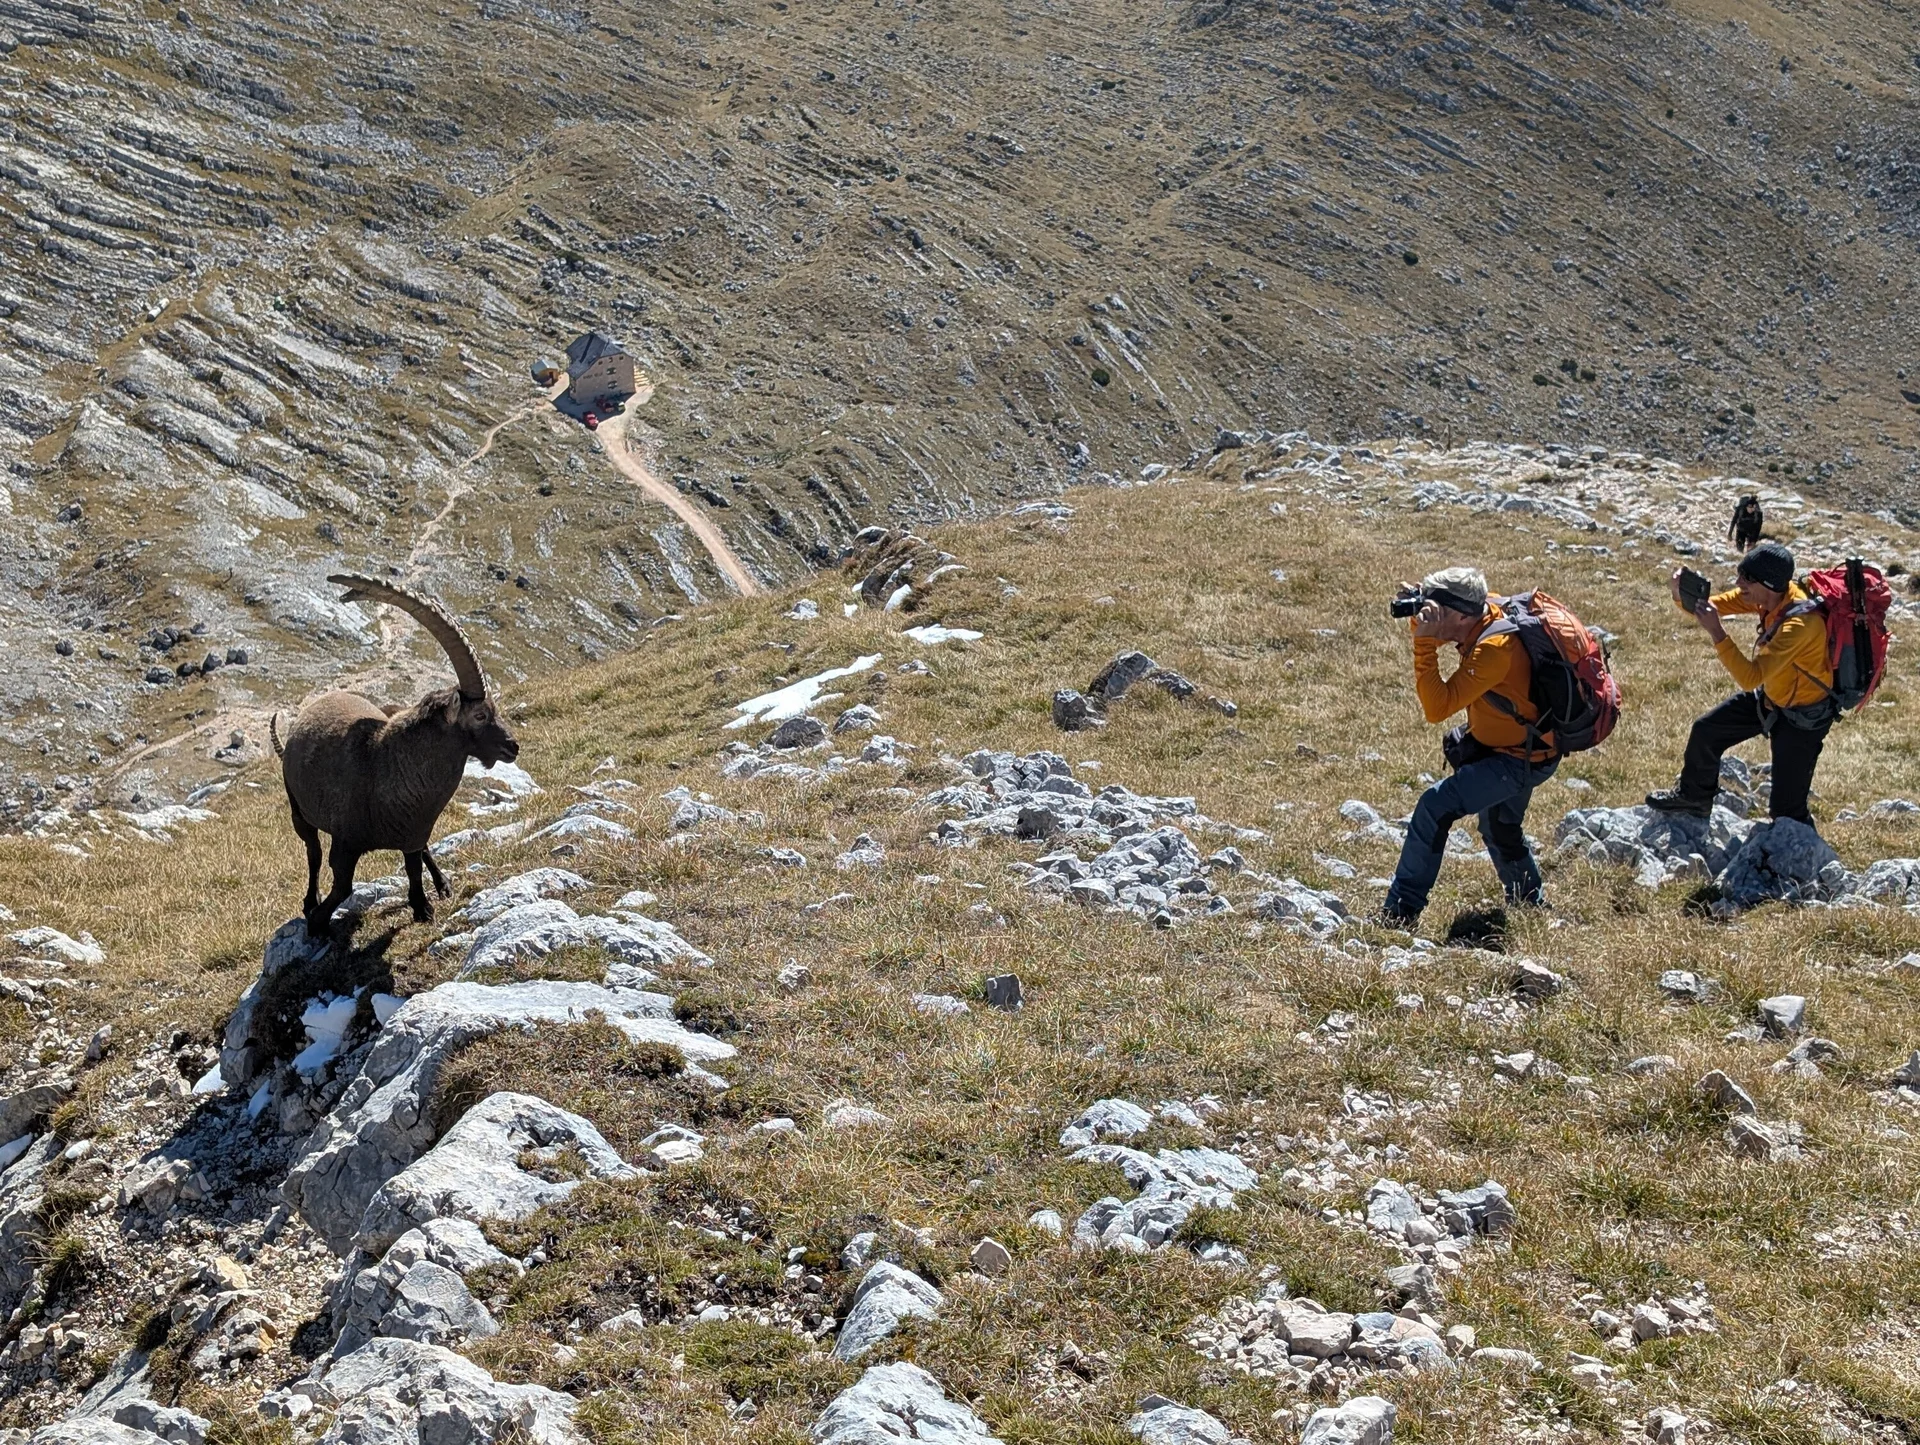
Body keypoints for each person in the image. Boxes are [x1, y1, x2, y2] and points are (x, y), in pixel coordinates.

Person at [1381, 567, 1560, 929]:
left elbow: (1437, 707)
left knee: (1435, 806)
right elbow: (1454, 610)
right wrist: (1427, 602)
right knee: (1499, 825)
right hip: (1522, 745)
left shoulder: (1496, 648)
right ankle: (1530, 905)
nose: (1427, 614)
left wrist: (1424, 645)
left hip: (1520, 758)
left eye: (1436, 609)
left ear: (1462, 616)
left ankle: (1400, 912)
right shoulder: (1478, 609)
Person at [1646, 540, 1835, 825]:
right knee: (1706, 732)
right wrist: (1679, 594)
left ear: (1769, 585)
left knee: (1786, 813)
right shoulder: (1765, 598)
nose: (1738, 584)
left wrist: (1718, 634)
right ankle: (1694, 799)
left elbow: (1750, 677)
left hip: (1803, 718)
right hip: (1772, 697)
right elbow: (1709, 607)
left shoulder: (1800, 626)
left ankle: (1804, 858)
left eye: (1746, 579)